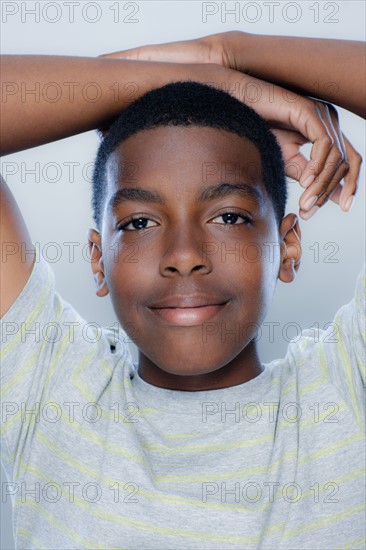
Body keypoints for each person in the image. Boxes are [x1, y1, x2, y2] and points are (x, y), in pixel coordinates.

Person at [0, 33, 364, 549]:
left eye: (229, 216)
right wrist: (210, 83)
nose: (184, 254)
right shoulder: (51, 389)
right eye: (140, 223)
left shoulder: (348, 390)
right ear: (98, 259)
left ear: (288, 248)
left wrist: (228, 52)